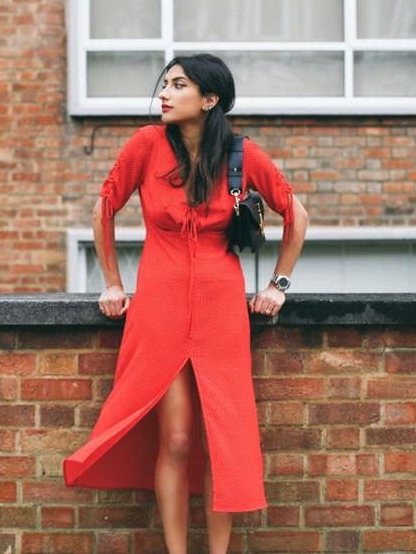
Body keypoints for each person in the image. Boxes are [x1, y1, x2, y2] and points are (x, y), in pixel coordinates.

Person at [64, 53, 308, 554]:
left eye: (179, 85)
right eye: (165, 84)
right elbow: (103, 208)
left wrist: (277, 285)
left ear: (210, 99)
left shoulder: (240, 154)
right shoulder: (148, 145)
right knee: (175, 439)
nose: (165, 94)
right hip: (160, 305)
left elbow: (296, 214)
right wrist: (112, 283)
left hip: (221, 310)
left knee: (223, 441)